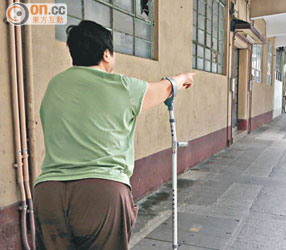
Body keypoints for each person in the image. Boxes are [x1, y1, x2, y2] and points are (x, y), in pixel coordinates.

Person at [33, 20, 194, 250]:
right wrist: (183, 77)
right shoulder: (122, 86)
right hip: (101, 194)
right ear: (107, 54)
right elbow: (165, 89)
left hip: (48, 193)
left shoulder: (55, 85)